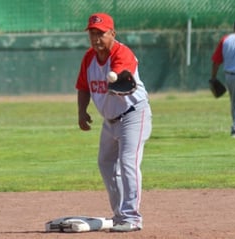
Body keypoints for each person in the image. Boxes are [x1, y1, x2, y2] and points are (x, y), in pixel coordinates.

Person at [75, 12, 152, 232]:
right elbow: (82, 86)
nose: (96, 38)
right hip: (110, 122)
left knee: (128, 162)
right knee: (106, 164)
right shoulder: (89, 58)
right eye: (92, 33)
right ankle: (120, 216)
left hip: (134, 115)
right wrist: (82, 111)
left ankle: (132, 217)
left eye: (101, 33)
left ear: (113, 33)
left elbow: (122, 76)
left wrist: (116, 78)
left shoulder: (122, 53)